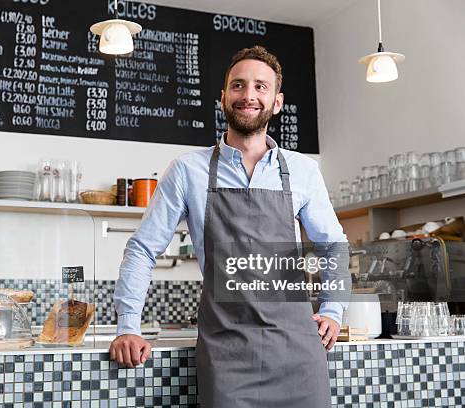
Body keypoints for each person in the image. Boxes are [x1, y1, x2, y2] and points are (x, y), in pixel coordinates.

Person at [109, 45, 350, 407]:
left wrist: (333, 309)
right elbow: (142, 249)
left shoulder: (302, 171)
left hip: (298, 355)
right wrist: (128, 326)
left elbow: (333, 244)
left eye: (260, 87)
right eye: (238, 86)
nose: (248, 95)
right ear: (223, 98)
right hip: (227, 357)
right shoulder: (188, 170)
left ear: (277, 101)